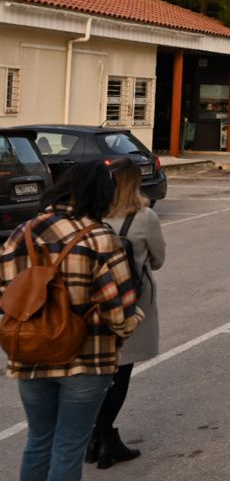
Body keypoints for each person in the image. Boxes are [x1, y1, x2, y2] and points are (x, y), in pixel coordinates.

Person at [0, 163, 144, 481]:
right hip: (86, 359)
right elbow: (119, 312)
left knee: (38, 442)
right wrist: (133, 322)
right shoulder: (100, 238)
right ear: (100, 196)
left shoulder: (22, 233)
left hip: (31, 354)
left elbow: (5, 294)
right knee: (68, 447)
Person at [89, 159, 166, 469]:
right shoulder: (145, 217)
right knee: (121, 370)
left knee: (99, 369)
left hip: (97, 297)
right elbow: (158, 259)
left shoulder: (96, 213)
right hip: (133, 299)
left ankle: (95, 437)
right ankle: (106, 437)